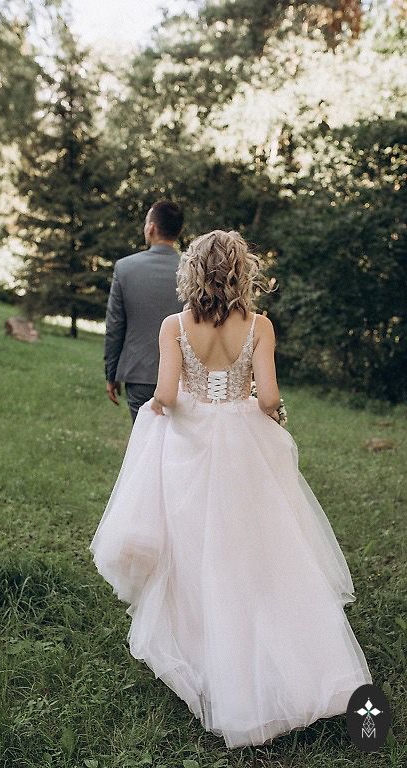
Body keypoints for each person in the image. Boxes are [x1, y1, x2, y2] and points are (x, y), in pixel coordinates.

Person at [90, 229, 372, 748]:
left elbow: (166, 394)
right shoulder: (260, 326)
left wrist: (158, 409)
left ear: (193, 272)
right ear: (243, 273)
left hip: (193, 443)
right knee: (258, 545)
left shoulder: (174, 325)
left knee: (195, 546)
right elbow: (268, 398)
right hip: (245, 443)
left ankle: (203, 646)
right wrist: (274, 416)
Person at [104, 199, 185, 423]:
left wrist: (111, 374)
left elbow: (114, 326)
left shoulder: (125, 268)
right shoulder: (192, 270)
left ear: (151, 228)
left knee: (145, 439)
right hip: (182, 376)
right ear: (178, 231)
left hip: (138, 373)